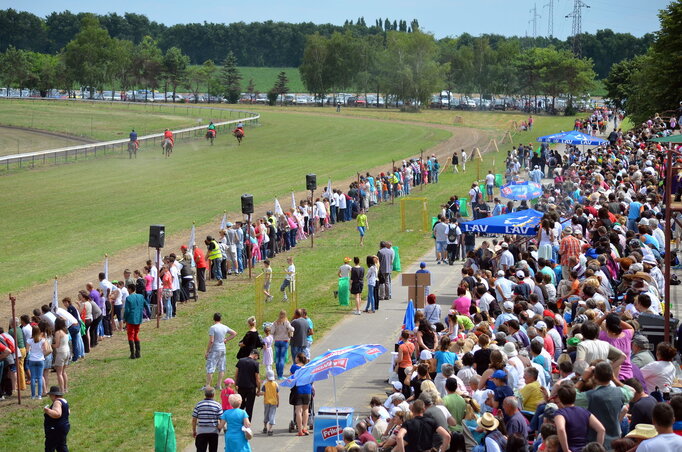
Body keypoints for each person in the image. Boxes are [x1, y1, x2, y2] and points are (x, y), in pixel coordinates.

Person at [555, 383, 605, 452]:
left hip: (569, 448)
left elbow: (561, 429)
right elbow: (601, 429)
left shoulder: (560, 413)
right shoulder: (584, 411)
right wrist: (598, 449)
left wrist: (566, 449)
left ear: (560, 398)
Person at [205, 313, 237, 390]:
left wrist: (207, 351)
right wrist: (226, 339)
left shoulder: (213, 328)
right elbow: (234, 333)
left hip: (215, 349)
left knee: (211, 367)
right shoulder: (224, 327)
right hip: (222, 348)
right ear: (221, 319)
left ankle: (208, 386)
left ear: (214, 319)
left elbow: (211, 341)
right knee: (221, 367)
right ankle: (219, 385)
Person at [192, 386, 223, 452]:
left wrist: (194, 431)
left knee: (200, 450)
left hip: (201, 432)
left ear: (205, 394)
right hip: (213, 432)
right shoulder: (217, 405)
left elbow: (194, 419)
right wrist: (219, 428)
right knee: (213, 449)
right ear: (213, 395)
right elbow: (221, 418)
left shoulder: (199, 404)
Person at [235, 349, 261, 421]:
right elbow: (257, 378)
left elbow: (236, 374)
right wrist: (258, 389)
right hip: (251, 388)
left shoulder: (241, 361)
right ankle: (247, 423)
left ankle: (238, 420)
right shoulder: (255, 363)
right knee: (249, 407)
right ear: (255, 355)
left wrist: (236, 384)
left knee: (240, 404)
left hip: (241, 386)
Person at [290, 353, 312, 436]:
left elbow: (291, 377)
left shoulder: (294, 367)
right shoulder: (308, 367)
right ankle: (305, 428)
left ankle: (299, 430)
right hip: (307, 389)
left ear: (298, 358)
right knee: (306, 410)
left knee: (298, 411)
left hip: (298, 389)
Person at [44, 385, 70, 452]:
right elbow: (68, 411)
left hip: (56, 429)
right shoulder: (64, 401)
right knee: (61, 446)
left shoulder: (57, 402)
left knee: (50, 447)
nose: (50, 397)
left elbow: (57, 414)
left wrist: (47, 410)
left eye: (50, 395)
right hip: (64, 426)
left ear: (53, 395)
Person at [26, 325, 48, 399]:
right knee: (39, 377)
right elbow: (45, 350)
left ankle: (33, 395)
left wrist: (32, 351)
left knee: (33, 378)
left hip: (32, 359)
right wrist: (41, 352)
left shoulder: (29, 340)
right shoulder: (42, 340)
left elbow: (27, 350)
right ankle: (39, 395)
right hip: (40, 359)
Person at [123, 283, 145, 359]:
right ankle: (138, 353)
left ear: (129, 289)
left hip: (131, 318)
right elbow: (146, 304)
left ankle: (132, 354)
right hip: (138, 318)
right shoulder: (141, 296)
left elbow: (127, 310)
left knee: (130, 335)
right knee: (136, 334)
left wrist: (124, 318)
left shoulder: (128, 298)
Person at [261, 370, 279, 436]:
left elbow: (262, 393)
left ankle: (265, 426)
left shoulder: (265, 384)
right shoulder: (275, 384)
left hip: (266, 402)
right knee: (272, 415)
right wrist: (278, 402)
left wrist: (257, 393)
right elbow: (277, 394)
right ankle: (270, 429)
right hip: (274, 402)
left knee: (266, 414)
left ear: (267, 376)